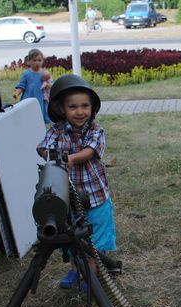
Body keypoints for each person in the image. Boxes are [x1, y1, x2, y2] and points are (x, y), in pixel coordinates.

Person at [37, 74, 121, 289]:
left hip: (94, 197)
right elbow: (42, 147)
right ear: (61, 108)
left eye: (85, 106)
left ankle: (91, 277)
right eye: (73, 107)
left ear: (92, 107)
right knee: (72, 238)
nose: (80, 111)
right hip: (68, 199)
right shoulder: (55, 131)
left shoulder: (95, 130)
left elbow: (90, 151)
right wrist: (48, 153)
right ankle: (75, 271)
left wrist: (70, 159)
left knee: (92, 241)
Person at [13, 49, 52, 124]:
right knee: (29, 117)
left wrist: (47, 85)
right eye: (34, 60)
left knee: (39, 116)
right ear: (29, 61)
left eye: (39, 60)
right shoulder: (26, 74)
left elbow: (50, 84)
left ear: (42, 61)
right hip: (29, 98)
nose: (37, 62)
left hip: (40, 99)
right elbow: (21, 86)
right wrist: (16, 93)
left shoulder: (44, 73)